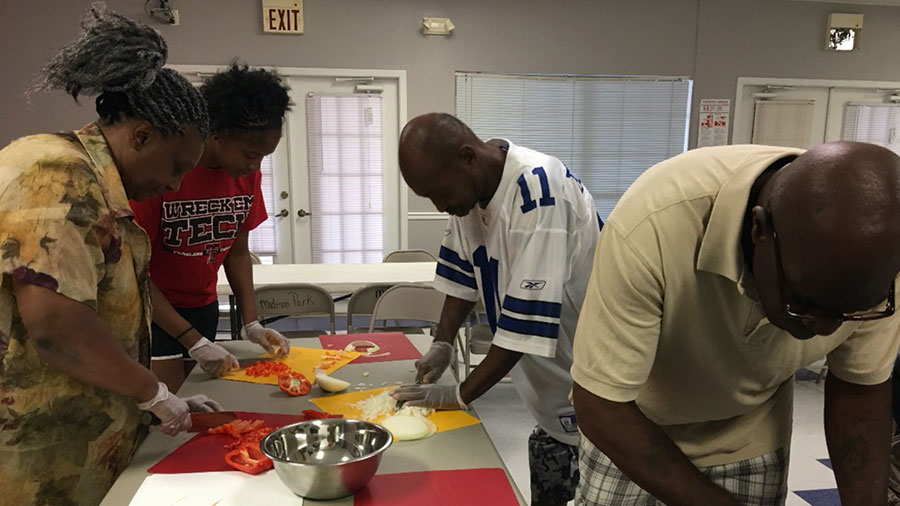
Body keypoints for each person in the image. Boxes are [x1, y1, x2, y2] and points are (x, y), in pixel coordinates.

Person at [571, 142, 900, 506]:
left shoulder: (881, 260)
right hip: (631, 423)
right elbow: (599, 403)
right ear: (761, 230)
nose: (823, 328)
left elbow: (860, 387)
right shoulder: (654, 222)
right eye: (802, 303)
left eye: (846, 314)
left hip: (749, 431)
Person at [0, 5, 222, 505]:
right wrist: (153, 392)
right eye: (175, 167)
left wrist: (157, 399)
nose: (174, 185)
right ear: (141, 135)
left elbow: (113, 306)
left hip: (94, 437)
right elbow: (57, 327)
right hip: (40, 451)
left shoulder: (103, 191)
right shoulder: (56, 174)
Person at [391, 113, 602, 506]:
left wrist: (458, 394)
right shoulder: (469, 194)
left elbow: (523, 328)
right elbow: (463, 279)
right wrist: (442, 344)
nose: (439, 206)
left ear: (468, 157)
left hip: (590, 385)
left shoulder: (539, 190)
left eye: (439, 192)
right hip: (548, 393)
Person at [131, 64, 293, 392]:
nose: (255, 166)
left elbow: (237, 253)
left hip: (203, 306)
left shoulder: (246, 177)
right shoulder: (166, 171)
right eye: (250, 154)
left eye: (263, 157)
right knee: (167, 411)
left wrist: (251, 322)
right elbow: (135, 272)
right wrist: (192, 340)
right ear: (216, 135)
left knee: (200, 404)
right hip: (152, 310)